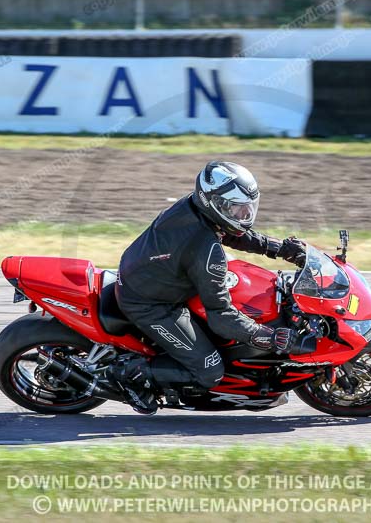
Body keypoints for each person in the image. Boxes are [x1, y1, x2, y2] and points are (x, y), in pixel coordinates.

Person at [110, 161, 307, 414]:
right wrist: (265, 335)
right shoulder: (205, 249)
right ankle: (130, 374)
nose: (244, 215)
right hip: (150, 304)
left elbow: (230, 232)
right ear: (214, 203)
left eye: (247, 207)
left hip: (153, 275)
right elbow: (220, 315)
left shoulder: (195, 208)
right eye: (236, 209)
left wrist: (278, 248)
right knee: (209, 370)